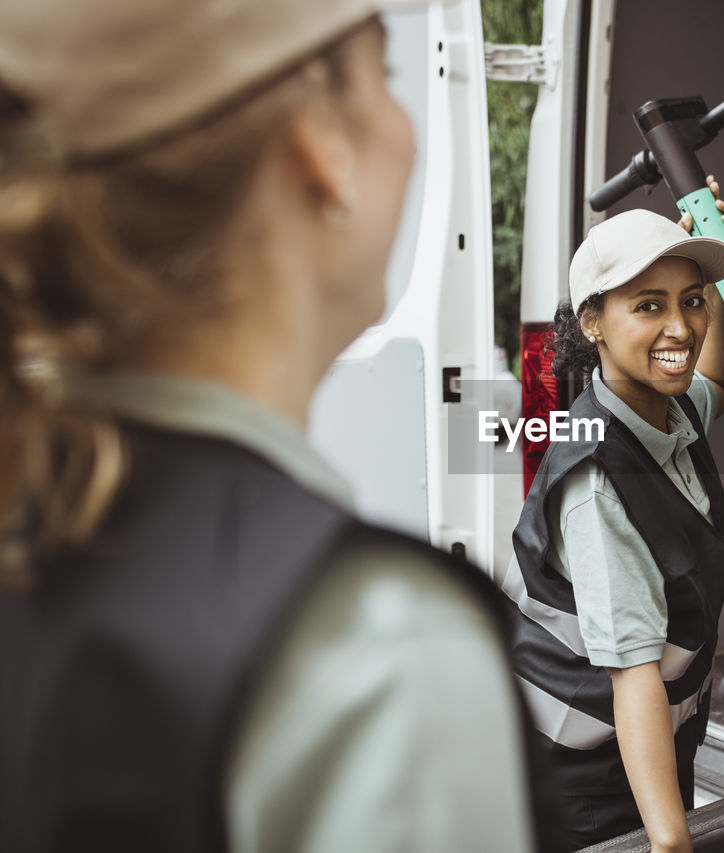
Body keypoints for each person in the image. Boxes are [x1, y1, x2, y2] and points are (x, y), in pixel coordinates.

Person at [0, 2, 541, 851]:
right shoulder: (374, 654)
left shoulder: (35, 522)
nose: (408, 130)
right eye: (388, 77)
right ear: (322, 144)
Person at [501, 187, 724, 852]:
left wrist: (720, 263)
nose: (682, 328)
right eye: (649, 306)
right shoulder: (597, 481)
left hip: (652, 739)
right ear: (595, 322)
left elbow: (717, 386)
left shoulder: (670, 404)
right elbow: (632, 676)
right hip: (589, 772)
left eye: (691, 301)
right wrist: (671, 841)